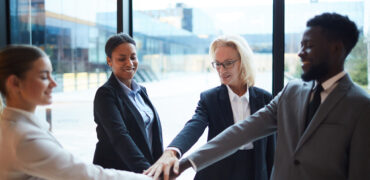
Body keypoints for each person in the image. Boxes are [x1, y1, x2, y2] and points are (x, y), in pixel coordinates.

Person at [150, 12, 370, 180]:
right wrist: (185, 162)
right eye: (301, 46)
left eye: (309, 46)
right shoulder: (291, 92)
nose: (300, 53)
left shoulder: (360, 105)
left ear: (336, 49)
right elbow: (241, 131)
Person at [0, 45, 151, 180]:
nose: (54, 83)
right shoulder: (24, 138)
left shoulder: (12, 126)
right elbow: (86, 175)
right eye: (44, 76)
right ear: (14, 83)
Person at [144, 35, 275, 180]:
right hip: (218, 173)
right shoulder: (210, 99)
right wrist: (172, 152)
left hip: (255, 171)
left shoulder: (265, 98)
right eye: (217, 64)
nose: (221, 70)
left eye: (228, 63)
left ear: (243, 62)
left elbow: (271, 150)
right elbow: (194, 126)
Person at [93, 33, 163, 173]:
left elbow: (151, 134)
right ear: (109, 61)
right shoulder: (105, 95)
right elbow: (120, 137)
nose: (130, 63)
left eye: (133, 57)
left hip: (145, 169)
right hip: (119, 172)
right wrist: (147, 172)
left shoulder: (141, 91)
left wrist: (160, 166)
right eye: (121, 59)